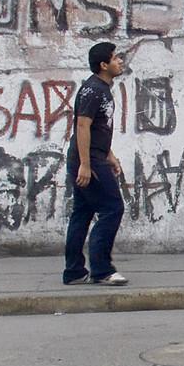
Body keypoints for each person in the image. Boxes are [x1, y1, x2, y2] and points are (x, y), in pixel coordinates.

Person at [63, 41, 129, 286]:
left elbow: (98, 129)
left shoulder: (101, 88)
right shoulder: (93, 90)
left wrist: (109, 155)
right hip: (88, 160)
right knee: (113, 208)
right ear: (103, 65)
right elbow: (82, 126)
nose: (120, 61)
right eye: (115, 58)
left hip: (94, 157)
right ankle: (101, 270)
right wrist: (85, 164)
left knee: (82, 212)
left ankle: (74, 272)